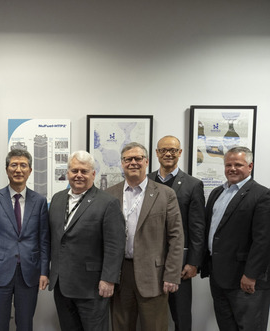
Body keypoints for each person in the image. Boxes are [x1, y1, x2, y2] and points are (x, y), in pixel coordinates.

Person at [105, 142, 184, 331]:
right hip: (120, 273)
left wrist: (172, 275)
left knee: (155, 327)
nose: (133, 162)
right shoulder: (109, 194)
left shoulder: (165, 194)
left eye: (138, 158)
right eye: (128, 159)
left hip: (154, 275)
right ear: (122, 163)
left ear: (146, 161)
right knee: (121, 326)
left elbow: (176, 237)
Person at [48, 150, 125, 331]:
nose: (79, 175)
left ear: (93, 174)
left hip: (92, 287)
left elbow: (115, 245)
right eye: (74, 171)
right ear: (67, 173)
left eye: (84, 171)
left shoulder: (108, 203)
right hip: (62, 285)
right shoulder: (57, 199)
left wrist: (108, 279)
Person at [0, 149, 50, 331]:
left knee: (25, 324)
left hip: (29, 272)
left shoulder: (40, 201)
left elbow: (44, 240)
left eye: (23, 165)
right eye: (14, 165)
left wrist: (44, 271)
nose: (18, 170)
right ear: (7, 169)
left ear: (30, 170)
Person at [201, 146, 270, 331]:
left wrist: (251, 275)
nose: (232, 168)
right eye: (228, 164)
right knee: (226, 326)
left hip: (245, 279)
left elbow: (263, 240)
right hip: (218, 276)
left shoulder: (262, 195)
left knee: (250, 327)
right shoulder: (217, 193)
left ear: (250, 166)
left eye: (238, 164)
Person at [147, 135, 205, 331]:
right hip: (150, 260)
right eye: (163, 150)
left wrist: (194, 262)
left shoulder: (193, 184)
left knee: (180, 313)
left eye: (173, 150)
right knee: (152, 312)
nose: (168, 154)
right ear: (157, 153)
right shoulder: (145, 181)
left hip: (180, 261)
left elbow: (197, 227)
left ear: (180, 153)